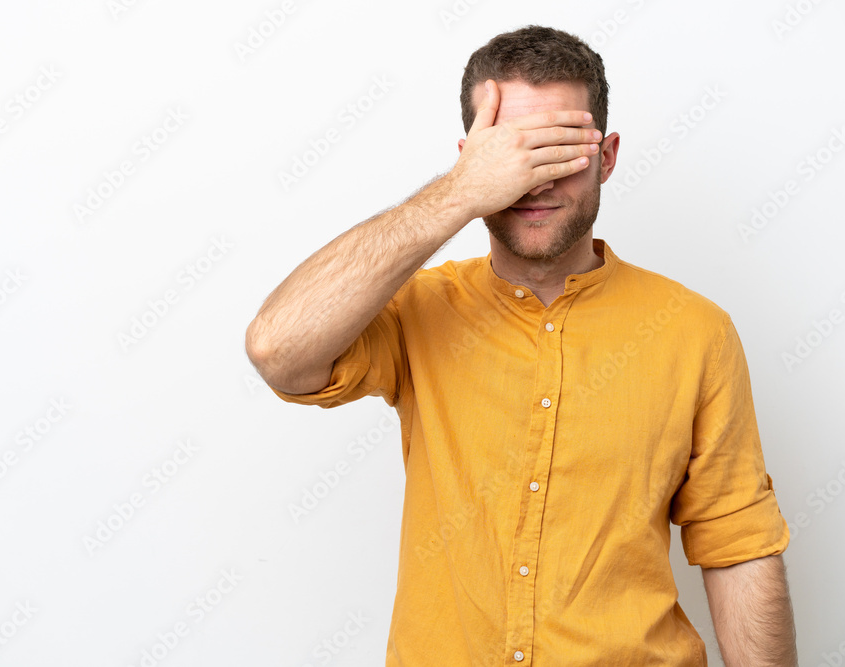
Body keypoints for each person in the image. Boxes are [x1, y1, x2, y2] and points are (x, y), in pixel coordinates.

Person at [246, 24, 797, 667]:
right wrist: (459, 191)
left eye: (560, 149)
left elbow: (738, 546)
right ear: (473, 158)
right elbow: (277, 349)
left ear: (608, 156)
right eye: (514, 154)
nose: (534, 182)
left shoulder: (695, 331)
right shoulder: (417, 311)